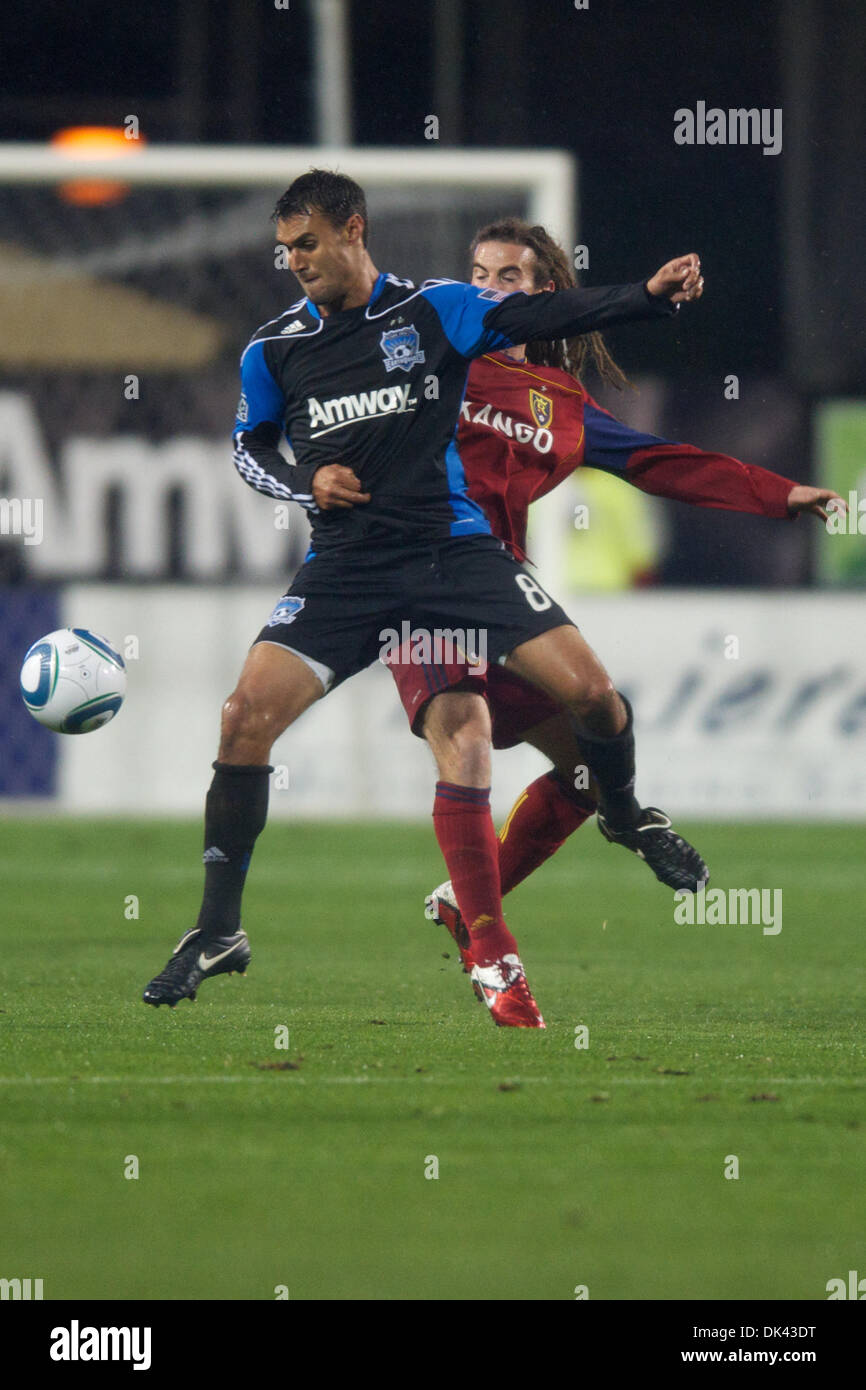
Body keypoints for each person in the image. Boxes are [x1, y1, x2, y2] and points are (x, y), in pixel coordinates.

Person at [142, 169, 704, 1028]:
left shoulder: (434, 309)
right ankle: (217, 931)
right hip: (348, 570)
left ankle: (623, 812)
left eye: (309, 243)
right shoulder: (274, 350)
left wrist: (646, 298)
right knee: (242, 719)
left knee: (594, 694)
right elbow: (248, 448)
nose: (294, 262)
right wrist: (306, 479)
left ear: (354, 230)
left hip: (451, 552)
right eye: (285, 247)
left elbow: (535, 316)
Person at [375, 217, 843, 994]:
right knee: (468, 743)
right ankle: (496, 962)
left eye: (509, 277)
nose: (487, 288)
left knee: (592, 757)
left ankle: (485, 893)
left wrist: (781, 493)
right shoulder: (432, 360)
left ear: (546, 295)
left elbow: (662, 462)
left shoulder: (559, 403)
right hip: (420, 583)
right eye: (479, 272)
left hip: (502, 595)